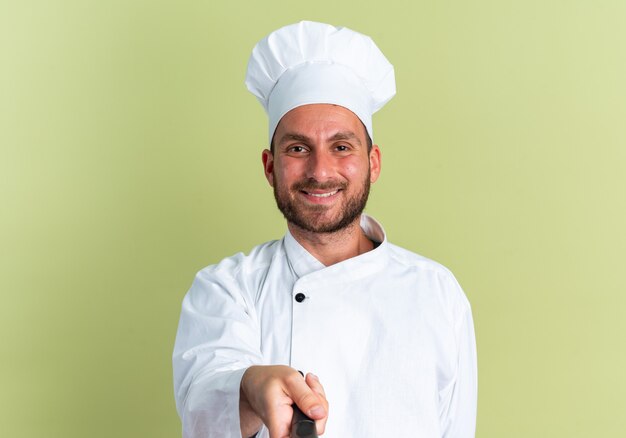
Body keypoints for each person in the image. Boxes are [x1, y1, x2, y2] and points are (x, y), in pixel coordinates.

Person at [173, 21, 477, 438]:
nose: (320, 171)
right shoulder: (227, 289)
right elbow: (203, 408)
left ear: (372, 163)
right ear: (269, 166)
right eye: (298, 148)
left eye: (341, 147)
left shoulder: (437, 293)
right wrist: (251, 387)